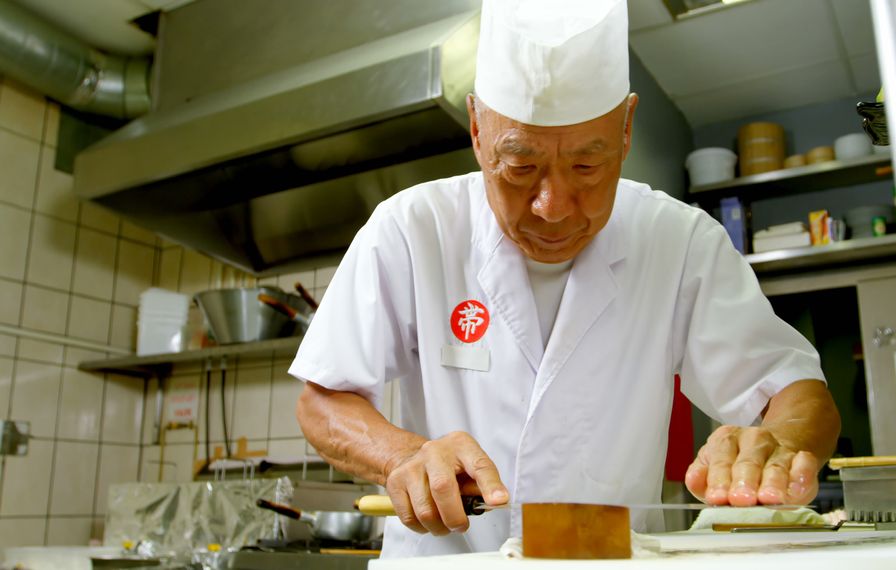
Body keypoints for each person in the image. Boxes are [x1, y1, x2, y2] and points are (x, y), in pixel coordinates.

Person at [291, 0, 839, 558]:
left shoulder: (679, 242)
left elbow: (797, 393)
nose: (552, 207)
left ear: (626, 130)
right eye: (520, 167)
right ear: (478, 130)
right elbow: (322, 398)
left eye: (586, 167)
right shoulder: (412, 228)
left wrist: (777, 443)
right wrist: (401, 455)